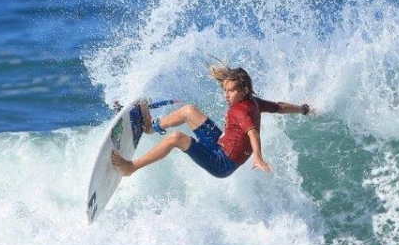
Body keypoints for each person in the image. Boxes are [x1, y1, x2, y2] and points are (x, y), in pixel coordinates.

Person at [111, 65, 312, 179]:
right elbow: (279, 107)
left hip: (222, 163)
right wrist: (302, 109)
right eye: (225, 90)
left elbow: (253, 132)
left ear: (244, 91)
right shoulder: (254, 102)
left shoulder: (241, 111)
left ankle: (132, 167)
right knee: (189, 111)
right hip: (221, 144)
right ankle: (150, 127)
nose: (226, 95)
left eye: (231, 91)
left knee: (177, 138)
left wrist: (258, 157)